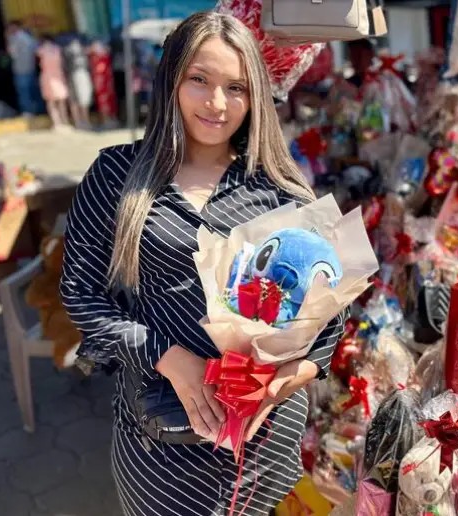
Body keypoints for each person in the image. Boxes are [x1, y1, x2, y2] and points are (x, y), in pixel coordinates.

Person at [59, 12, 345, 516]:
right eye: (200, 80)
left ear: (255, 96)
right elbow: (81, 296)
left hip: (265, 448)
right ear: (171, 80)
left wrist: (290, 377)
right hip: (163, 445)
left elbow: (329, 314)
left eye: (236, 87)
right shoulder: (116, 176)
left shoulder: (279, 191)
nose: (217, 103)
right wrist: (168, 357)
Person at [5, 20, 40, 117]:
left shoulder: (14, 39)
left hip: (20, 70)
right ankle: (39, 110)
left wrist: (8, 39)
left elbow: (12, 54)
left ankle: (28, 112)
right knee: (34, 91)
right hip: (31, 68)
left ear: (14, 28)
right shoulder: (29, 38)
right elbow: (37, 50)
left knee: (24, 92)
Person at [36, 34, 71, 129]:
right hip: (58, 75)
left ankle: (57, 123)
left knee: (52, 102)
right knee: (61, 101)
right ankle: (64, 121)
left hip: (49, 76)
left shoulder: (41, 50)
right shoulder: (57, 49)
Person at [63, 37, 94, 130]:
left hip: (73, 75)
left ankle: (80, 122)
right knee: (81, 99)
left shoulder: (67, 50)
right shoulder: (80, 50)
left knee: (77, 99)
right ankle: (84, 121)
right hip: (79, 74)